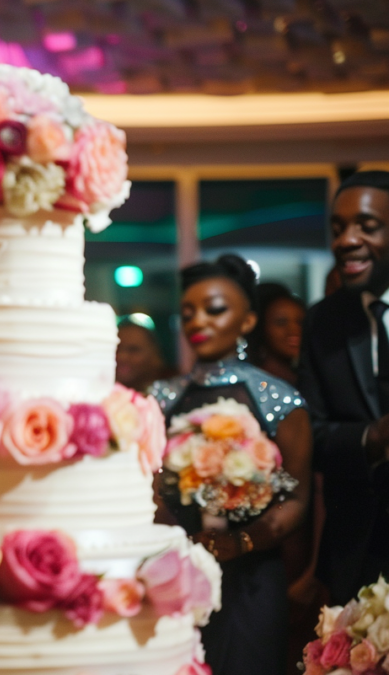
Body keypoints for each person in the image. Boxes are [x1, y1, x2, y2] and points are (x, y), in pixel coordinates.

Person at [151, 254, 311, 675]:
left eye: (214, 309)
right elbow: (146, 485)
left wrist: (242, 542)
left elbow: (295, 496)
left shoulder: (278, 400)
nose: (197, 321)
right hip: (177, 572)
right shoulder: (162, 398)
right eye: (188, 312)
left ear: (247, 321)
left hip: (253, 576)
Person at [298, 170, 389, 605]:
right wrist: (372, 438)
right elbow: (310, 436)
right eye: (337, 229)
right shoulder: (323, 321)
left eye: (366, 226)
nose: (346, 240)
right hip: (358, 550)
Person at [252, 283, 306, 385]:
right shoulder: (254, 382)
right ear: (261, 327)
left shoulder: (308, 380)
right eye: (281, 322)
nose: (294, 330)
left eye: (300, 322)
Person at [115, 320, 169, 393]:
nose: (121, 357)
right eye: (116, 349)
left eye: (133, 350)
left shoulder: (171, 395)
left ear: (155, 356)